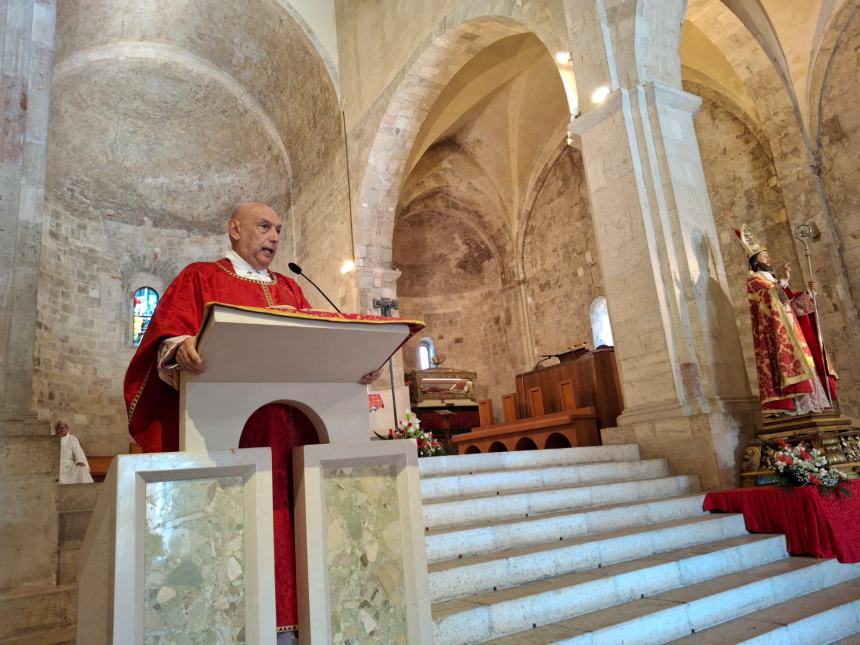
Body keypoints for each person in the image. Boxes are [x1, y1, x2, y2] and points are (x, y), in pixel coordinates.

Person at [124, 202, 380, 642]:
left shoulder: (290, 288)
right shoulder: (201, 277)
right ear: (234, 229)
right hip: (232, 434)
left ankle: (305, 621)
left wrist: (355, 361)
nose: (274, 237)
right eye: (264, 227)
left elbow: (319, 341)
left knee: (300, 523)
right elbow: (165, 339)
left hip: (298, 431)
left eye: (279, 229)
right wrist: (181, 347)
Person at [736, 224, 836, 415]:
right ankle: (794, 408)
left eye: (768, 256)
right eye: (765, 257)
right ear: (756, 261)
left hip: (793, 329)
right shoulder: (754, 279)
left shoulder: (772, 280)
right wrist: (781, 282)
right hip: (776, 333)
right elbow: (767, 299)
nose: (769, 259)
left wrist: (809, 293)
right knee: (790, 365)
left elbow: (789, 304)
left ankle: (811, 407)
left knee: (806, 363)